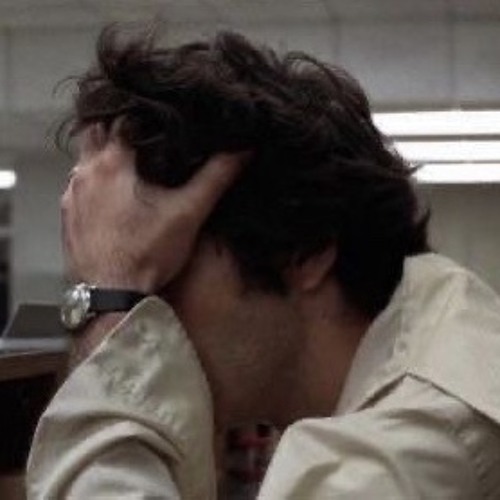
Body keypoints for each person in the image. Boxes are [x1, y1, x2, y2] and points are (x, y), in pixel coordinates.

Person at [26, 27, 500, 499]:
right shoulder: (430, 328)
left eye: (166, 270)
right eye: (137, 288)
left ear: (303, 250)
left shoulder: (420, 443)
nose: (145, 326)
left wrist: (108, 299)